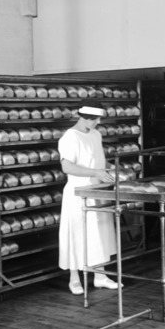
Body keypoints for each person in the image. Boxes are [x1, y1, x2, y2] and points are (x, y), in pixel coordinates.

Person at [58, 106, 118, 294]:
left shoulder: (95, 134)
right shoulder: (70, 137)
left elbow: (98, 160)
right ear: (83, 117)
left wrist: (114, 168)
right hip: (78, 192)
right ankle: (74, 279)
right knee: (77, 235)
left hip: (97, 190)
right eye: (94, 119)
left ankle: (100, 276)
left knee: (99, 234)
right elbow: (67, 167)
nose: (98, 122)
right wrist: (96, 172)